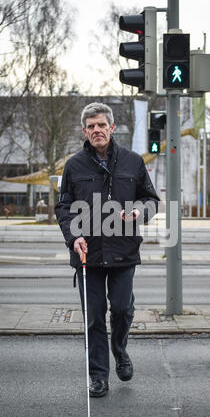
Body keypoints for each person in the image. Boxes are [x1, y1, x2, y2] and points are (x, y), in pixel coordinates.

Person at [55, 102, 159, 397]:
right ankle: (98, 376)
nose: (97, 130)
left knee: (123, 310)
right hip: (88, 253)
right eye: (91, 126)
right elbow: (64, 207)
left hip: (124, 250)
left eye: (102, 125)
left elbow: (151, 199)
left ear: (112, 128)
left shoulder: (133, 161)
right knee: (94, 316)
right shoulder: (74, 165)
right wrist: (74, 236)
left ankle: (120, 350)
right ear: (85, 131)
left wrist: (140, 211)